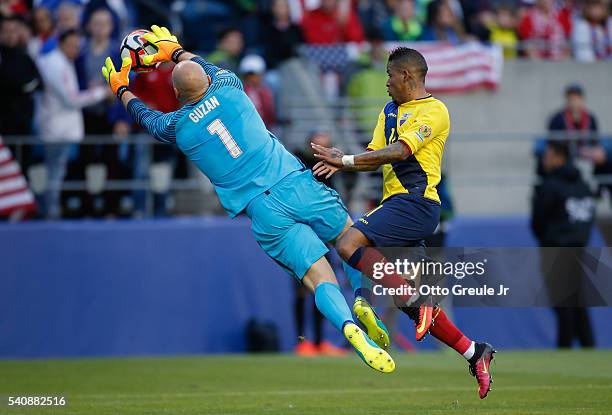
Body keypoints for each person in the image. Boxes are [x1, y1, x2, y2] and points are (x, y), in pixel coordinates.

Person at [101, 25, 394, 373]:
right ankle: (363, 301)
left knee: (318, 277)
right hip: (296, 184)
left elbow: (146, 118)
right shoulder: (230, 89)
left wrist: (121, 89)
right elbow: (204, 69)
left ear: (177, 94)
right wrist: (175, 51)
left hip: (262, 210)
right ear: (206, 82)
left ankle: (349, 330)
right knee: (350, 240)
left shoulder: (178, 127)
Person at [311, 47, 495, 399]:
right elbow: (374, 155)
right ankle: (475, 352)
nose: (386, 83)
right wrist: (345, 162)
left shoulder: (435, 111)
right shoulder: (389, 111)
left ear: (407, 76)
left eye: (390, 76)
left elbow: (401, 152)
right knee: (412, 308)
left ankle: (416, 293)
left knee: (349, 244)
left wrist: (346, 159)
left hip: (416, 203)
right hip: (397, 206)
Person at [37, 29, 107, 219]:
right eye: (72, 46)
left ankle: (51, 209)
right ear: (61, 43)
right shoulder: (55, 64)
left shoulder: (61, 62)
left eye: (78, 46)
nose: (76, 50)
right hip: (57, 129)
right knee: (55, 172)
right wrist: (100, 93)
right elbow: (71, 99)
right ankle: (50, 212)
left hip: (60, 127)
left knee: (57, 171)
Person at [531, 141, 595, 349]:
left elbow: (538, 219)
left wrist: (548, 240)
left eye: (548, 155)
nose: (544, 159)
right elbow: (588, 218)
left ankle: (565, 347)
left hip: (555, 248)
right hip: (579, 248)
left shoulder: (551, 186)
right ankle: (588, 345)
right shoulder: (583, 186)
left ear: (559, 158)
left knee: (563, 303)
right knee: (577, 299)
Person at [301, 0, 365, 44]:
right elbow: (312, 40)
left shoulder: (346, 16)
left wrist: (344, 26)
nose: (327, 2)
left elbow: (358, 41)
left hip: (343, 60)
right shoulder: (312, 16)